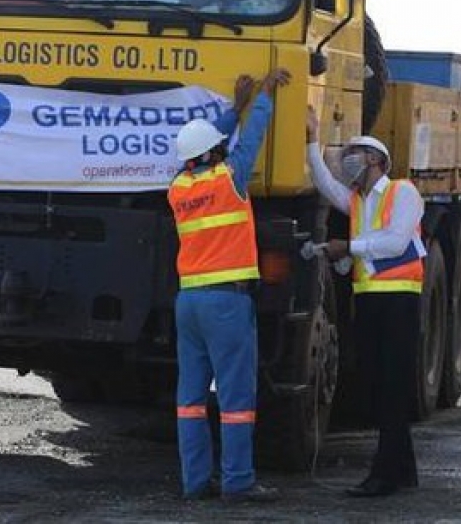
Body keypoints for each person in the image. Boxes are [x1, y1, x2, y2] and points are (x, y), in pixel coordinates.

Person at [168, 67, 290, 503]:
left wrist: (231, 109)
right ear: (215, 152)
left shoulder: (178, 187)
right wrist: (264, 99)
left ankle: (195, 481)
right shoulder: (229, 179)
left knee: (190, 399)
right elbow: (252, 138)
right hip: (226, 302)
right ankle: (238, 481)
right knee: (236, 397)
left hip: (189, 302)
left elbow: (208, 143)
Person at [305, 106, 427, 498]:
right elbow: (324, 183)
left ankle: (384, 475)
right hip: (371, 303)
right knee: (379, 385)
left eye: (356, 153)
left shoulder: (402, 191)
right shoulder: (357, 201)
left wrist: (349, 247)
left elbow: (394, 242)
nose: (348, 160)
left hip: (399, 302)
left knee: (391, 388)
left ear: (376, 159)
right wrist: (311, 140)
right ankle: (403, 469)